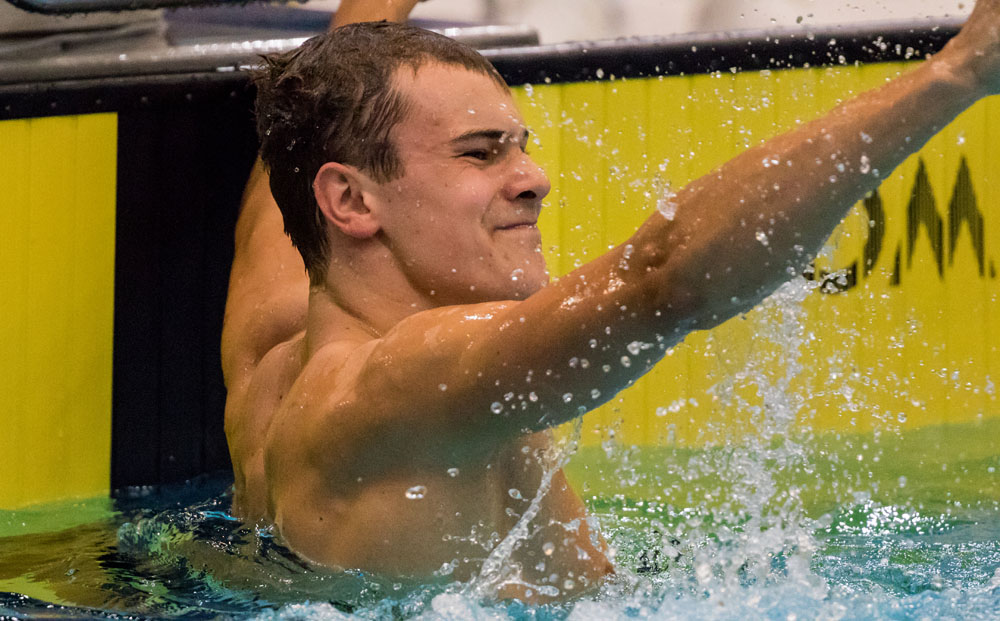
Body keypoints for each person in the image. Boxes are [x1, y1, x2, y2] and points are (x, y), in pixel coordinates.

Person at [221, 0, 1000, 602]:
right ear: (351, 200)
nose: (533, 179)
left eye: (521, 145)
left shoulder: (269, 354)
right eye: (480, 153)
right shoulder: (400, 383)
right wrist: (961, 70)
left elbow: (276, 182)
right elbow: (664, 277)